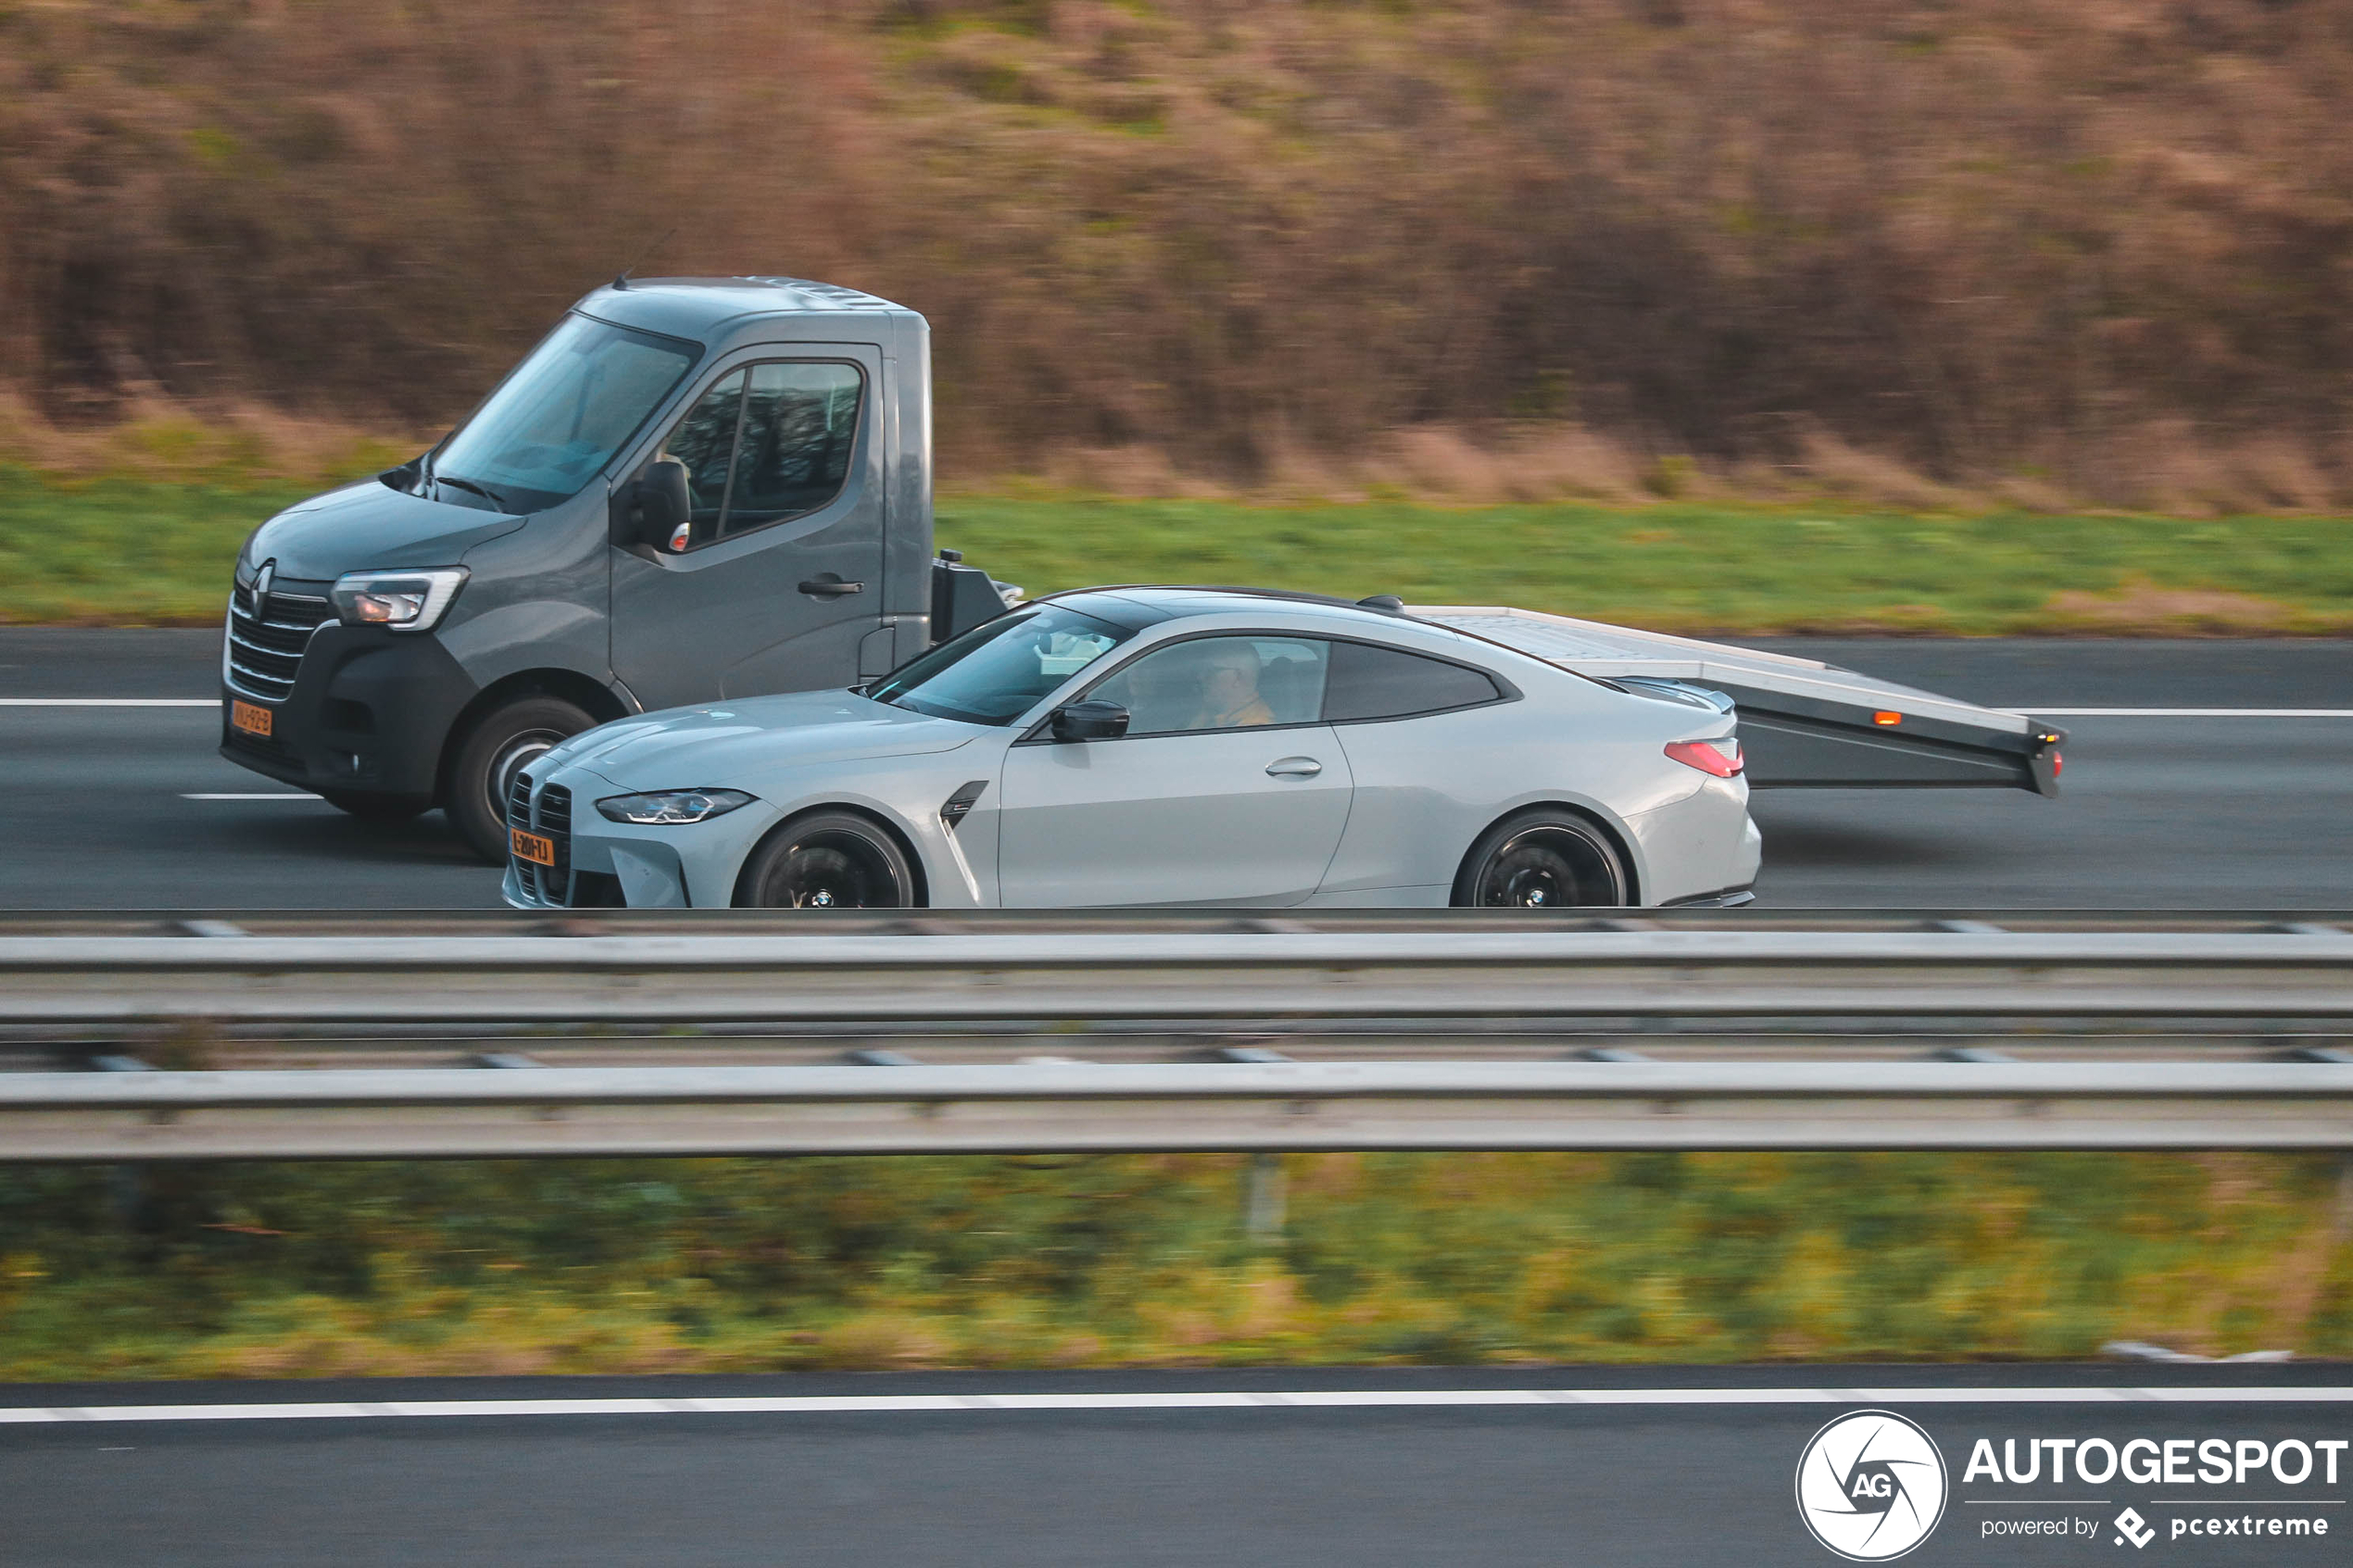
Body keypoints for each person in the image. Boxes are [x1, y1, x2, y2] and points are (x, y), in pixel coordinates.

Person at [1185, 642, 1275, 729]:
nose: (1200, 677)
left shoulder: (1254, 727)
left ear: (1238, 677)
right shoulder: (1214, 711)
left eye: (1210, 671)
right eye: (1201, 669)